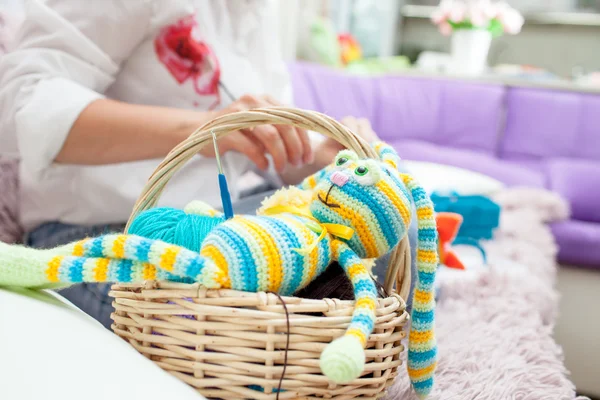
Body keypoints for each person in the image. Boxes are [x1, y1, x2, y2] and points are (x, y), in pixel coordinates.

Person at [0, 0, 382, 328]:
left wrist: (333, 158)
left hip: (214, 223)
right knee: (276, 310)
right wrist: (201, 129)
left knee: (387, 235)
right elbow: (17, 105)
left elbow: (265, 145)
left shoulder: (255, 12)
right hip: (102, 235)